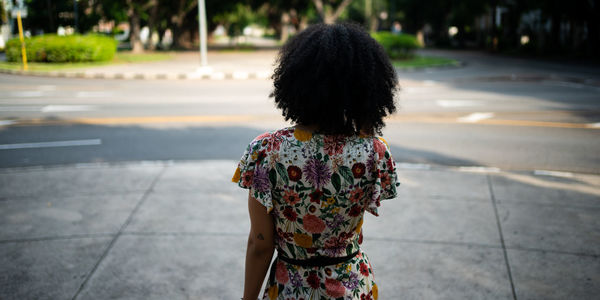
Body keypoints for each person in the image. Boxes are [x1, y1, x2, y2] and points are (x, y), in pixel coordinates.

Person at [232, 22, 400, 300]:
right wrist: (365, 110)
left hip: (290, 287)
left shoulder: (266, 150)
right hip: (352, 287)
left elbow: (260, 244)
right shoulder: (375, 152)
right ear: (366, 86)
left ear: (294, 80)